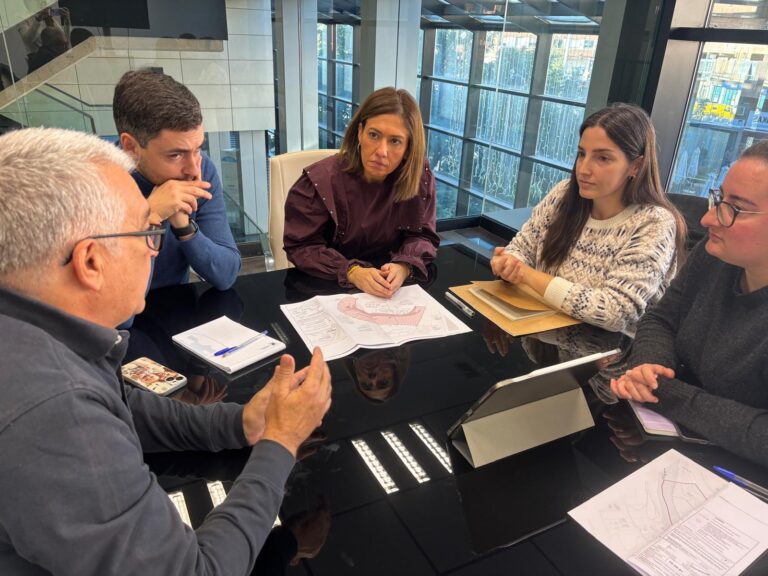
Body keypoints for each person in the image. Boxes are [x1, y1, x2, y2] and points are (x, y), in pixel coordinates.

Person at [0, 127, 332, 575]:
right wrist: (280, 442)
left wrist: (239, 421)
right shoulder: (54, 408)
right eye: (145, 233)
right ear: (91, 262)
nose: (153, 249)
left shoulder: (38, 331)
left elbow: (122, 404)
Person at [611, 141, 768, 466]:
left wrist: (665, 393)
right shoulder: (715, 258)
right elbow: (661, 319)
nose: (710, 218)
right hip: (680, 441)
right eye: (719, 198)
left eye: (734, 208)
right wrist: (650, 366)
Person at [490, 103, 686, 334]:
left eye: (603, 158)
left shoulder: (654, 223)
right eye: (582, 154)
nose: (583, 169)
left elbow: (615, 312)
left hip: (609, 357)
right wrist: (508, 262)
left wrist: (526, 274)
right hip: (542, 335)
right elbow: (522, 248)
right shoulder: (564, 194)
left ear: (636, 166)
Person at [283, 86, 439, 298]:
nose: (381, 151)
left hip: (391, 291)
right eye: (374, 135)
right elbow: (302, 246)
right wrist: (352, 272)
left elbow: (422, 235)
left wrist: (404, 265)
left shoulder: (419, 177)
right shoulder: (319, 181)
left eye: (395, 141)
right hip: (328, 289)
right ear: (359, 132)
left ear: (408, 148)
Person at [113, 69, 241, 291]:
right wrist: (150, 218)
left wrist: (183, 226)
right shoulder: (94, 185)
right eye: (175, 155)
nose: (193, 169)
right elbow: (120, 314)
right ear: (131, 147)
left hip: (176, 308)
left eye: (198, 148)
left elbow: (226, 274)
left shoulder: (201, 168)